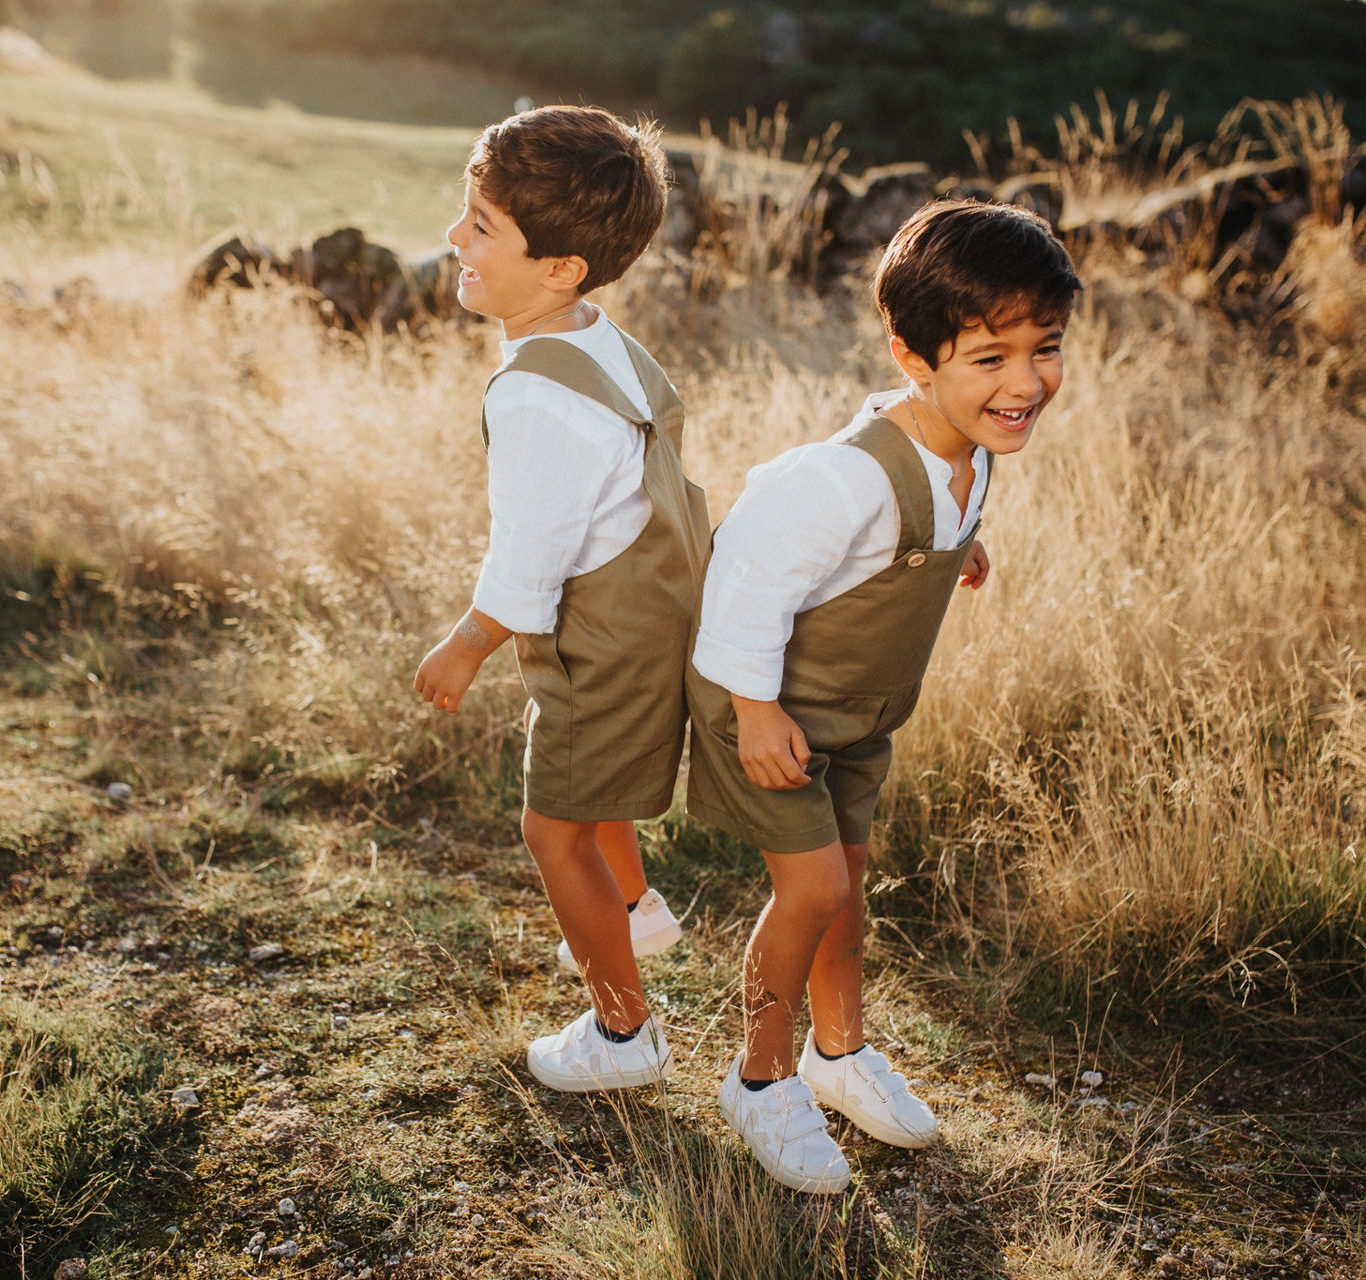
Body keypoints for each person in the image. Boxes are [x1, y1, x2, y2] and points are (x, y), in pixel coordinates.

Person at [685, 199, 1082, 1191]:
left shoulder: (975, 450)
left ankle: (837, 1052)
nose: (1026, 382)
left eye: (1046, 348)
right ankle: (761, 1078)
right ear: (913, 357)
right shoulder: (838, 481)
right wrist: (757, 710)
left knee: (848, 883)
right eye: (990, 357)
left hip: (856, 719)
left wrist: (960, 544)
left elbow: (925, 523)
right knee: (812, 887)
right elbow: (743, 582)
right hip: (765, 710)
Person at [413, 105, 708, 1092]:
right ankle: (636, 910)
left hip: (602, 639)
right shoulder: (597, 340)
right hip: (660, 609)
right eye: (467, 211)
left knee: (551, 826)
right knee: (588, 796)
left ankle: (624, 1034)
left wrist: (464, 644)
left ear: (560, 268)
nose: (456, 235)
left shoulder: (533, 393)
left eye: (482, 225)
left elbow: (530, 557)